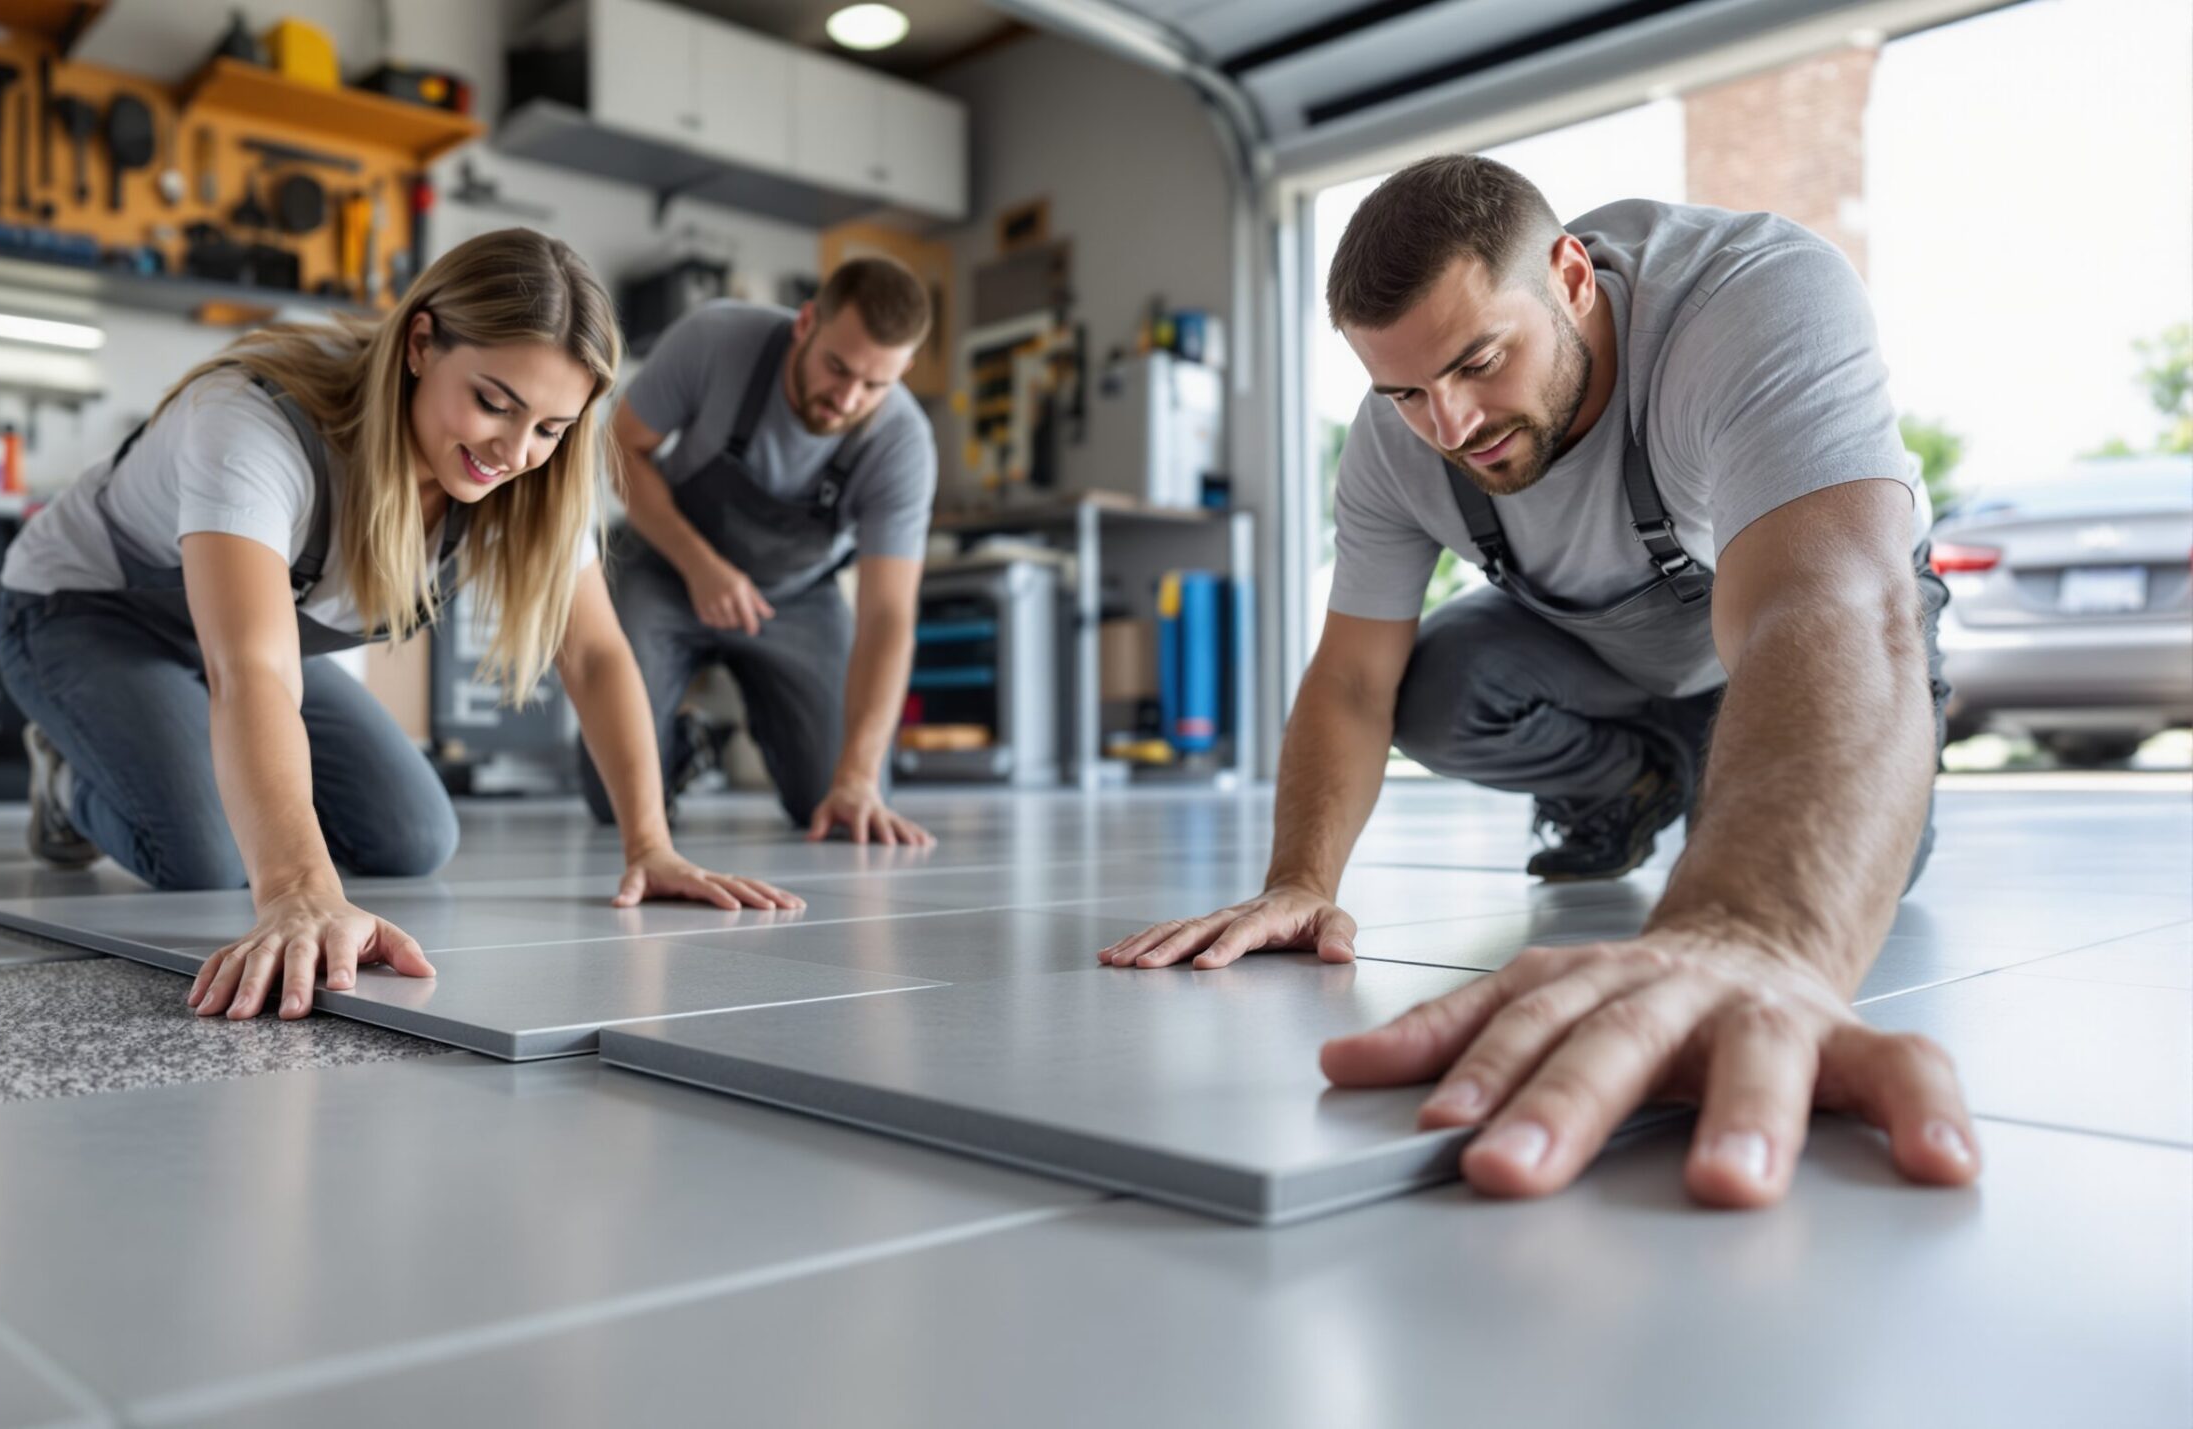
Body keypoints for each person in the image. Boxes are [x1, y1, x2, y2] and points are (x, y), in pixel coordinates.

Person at [1098, 156, 1980, 1208]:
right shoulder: (1399, 442)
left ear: (1570, 275)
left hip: (1782, 625)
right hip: (1600, 651)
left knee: (1875, 855)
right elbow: (1349, 679)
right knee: (1441, 684)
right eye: (1404, 391)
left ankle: (1719, 777)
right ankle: (1638, 783)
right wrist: (1301, 880)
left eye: (1478, 362)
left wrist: (1753, 933)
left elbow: (1827, 598)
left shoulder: (1749, 295)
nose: (1451, 425)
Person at [0, 228, 802, 1023]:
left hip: (239, 647)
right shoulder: (254, 423)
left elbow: (592, 654)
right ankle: (67, 779)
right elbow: (254, 672)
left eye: (551, 429)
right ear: (420, 342)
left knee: (414, 835)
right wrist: (296, 891)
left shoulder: (533, 476)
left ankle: (178, 744)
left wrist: (650, 845)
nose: (516, 451)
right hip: (84, 614)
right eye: (494, 402)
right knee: (204, 855)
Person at [585, 257, 940, 846]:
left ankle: (787, 728)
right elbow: (622, 450)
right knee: (612, 795)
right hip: (667, 563)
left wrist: (856, 775)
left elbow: (887, 617)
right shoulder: (716, 340)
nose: (848, 399)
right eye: (837, 367)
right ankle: (683, 742)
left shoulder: (904, 444)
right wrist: (700, 565)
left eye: (876, 385)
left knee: (835, 803)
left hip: (796, 597)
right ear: (805, 324)